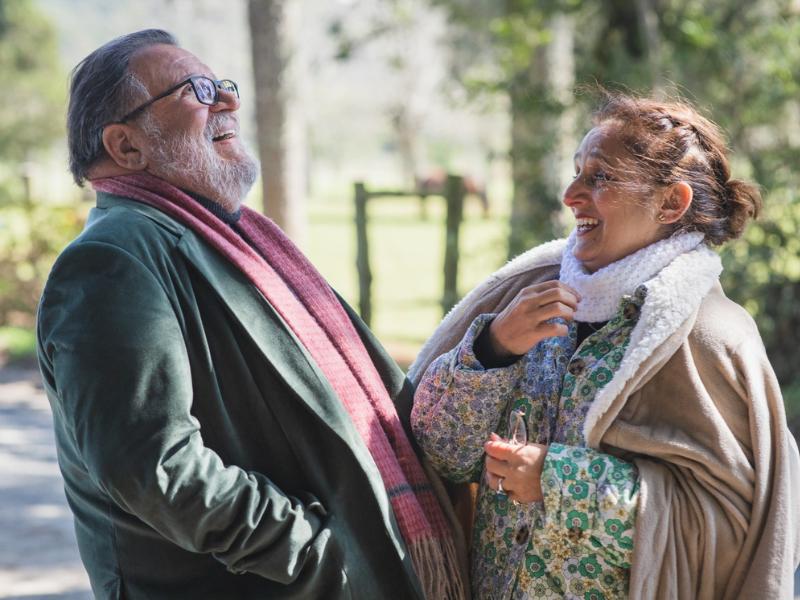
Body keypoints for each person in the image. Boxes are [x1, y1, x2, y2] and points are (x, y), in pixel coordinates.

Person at [36, 29, 467, 600]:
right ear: (127, 146)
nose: (229, 101)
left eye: (224, 86)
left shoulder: (230, 240)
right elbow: (154, 469)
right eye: (197, 90)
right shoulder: (111, 260)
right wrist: (321, 555)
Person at [409, 93, 800, 599]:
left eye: (599, 177)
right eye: (576, 173)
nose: (571, 195)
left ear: (671, 203)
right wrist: (493, 348)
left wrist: (559, 481)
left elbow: (733, 530)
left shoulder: (708, 335)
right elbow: (440, 458)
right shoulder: (525, 302)